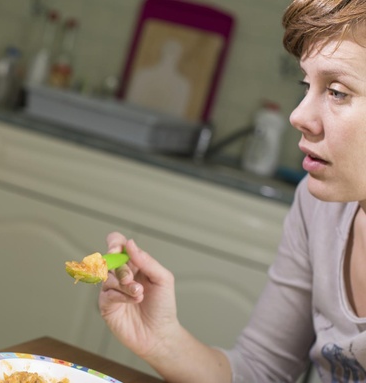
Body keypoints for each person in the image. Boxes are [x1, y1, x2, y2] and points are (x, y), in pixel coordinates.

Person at [99, 0, 366, 382]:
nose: (299, 116)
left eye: (337, 91)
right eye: (307, 85)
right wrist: (161, 340)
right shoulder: (316, 206)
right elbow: (261, 372)